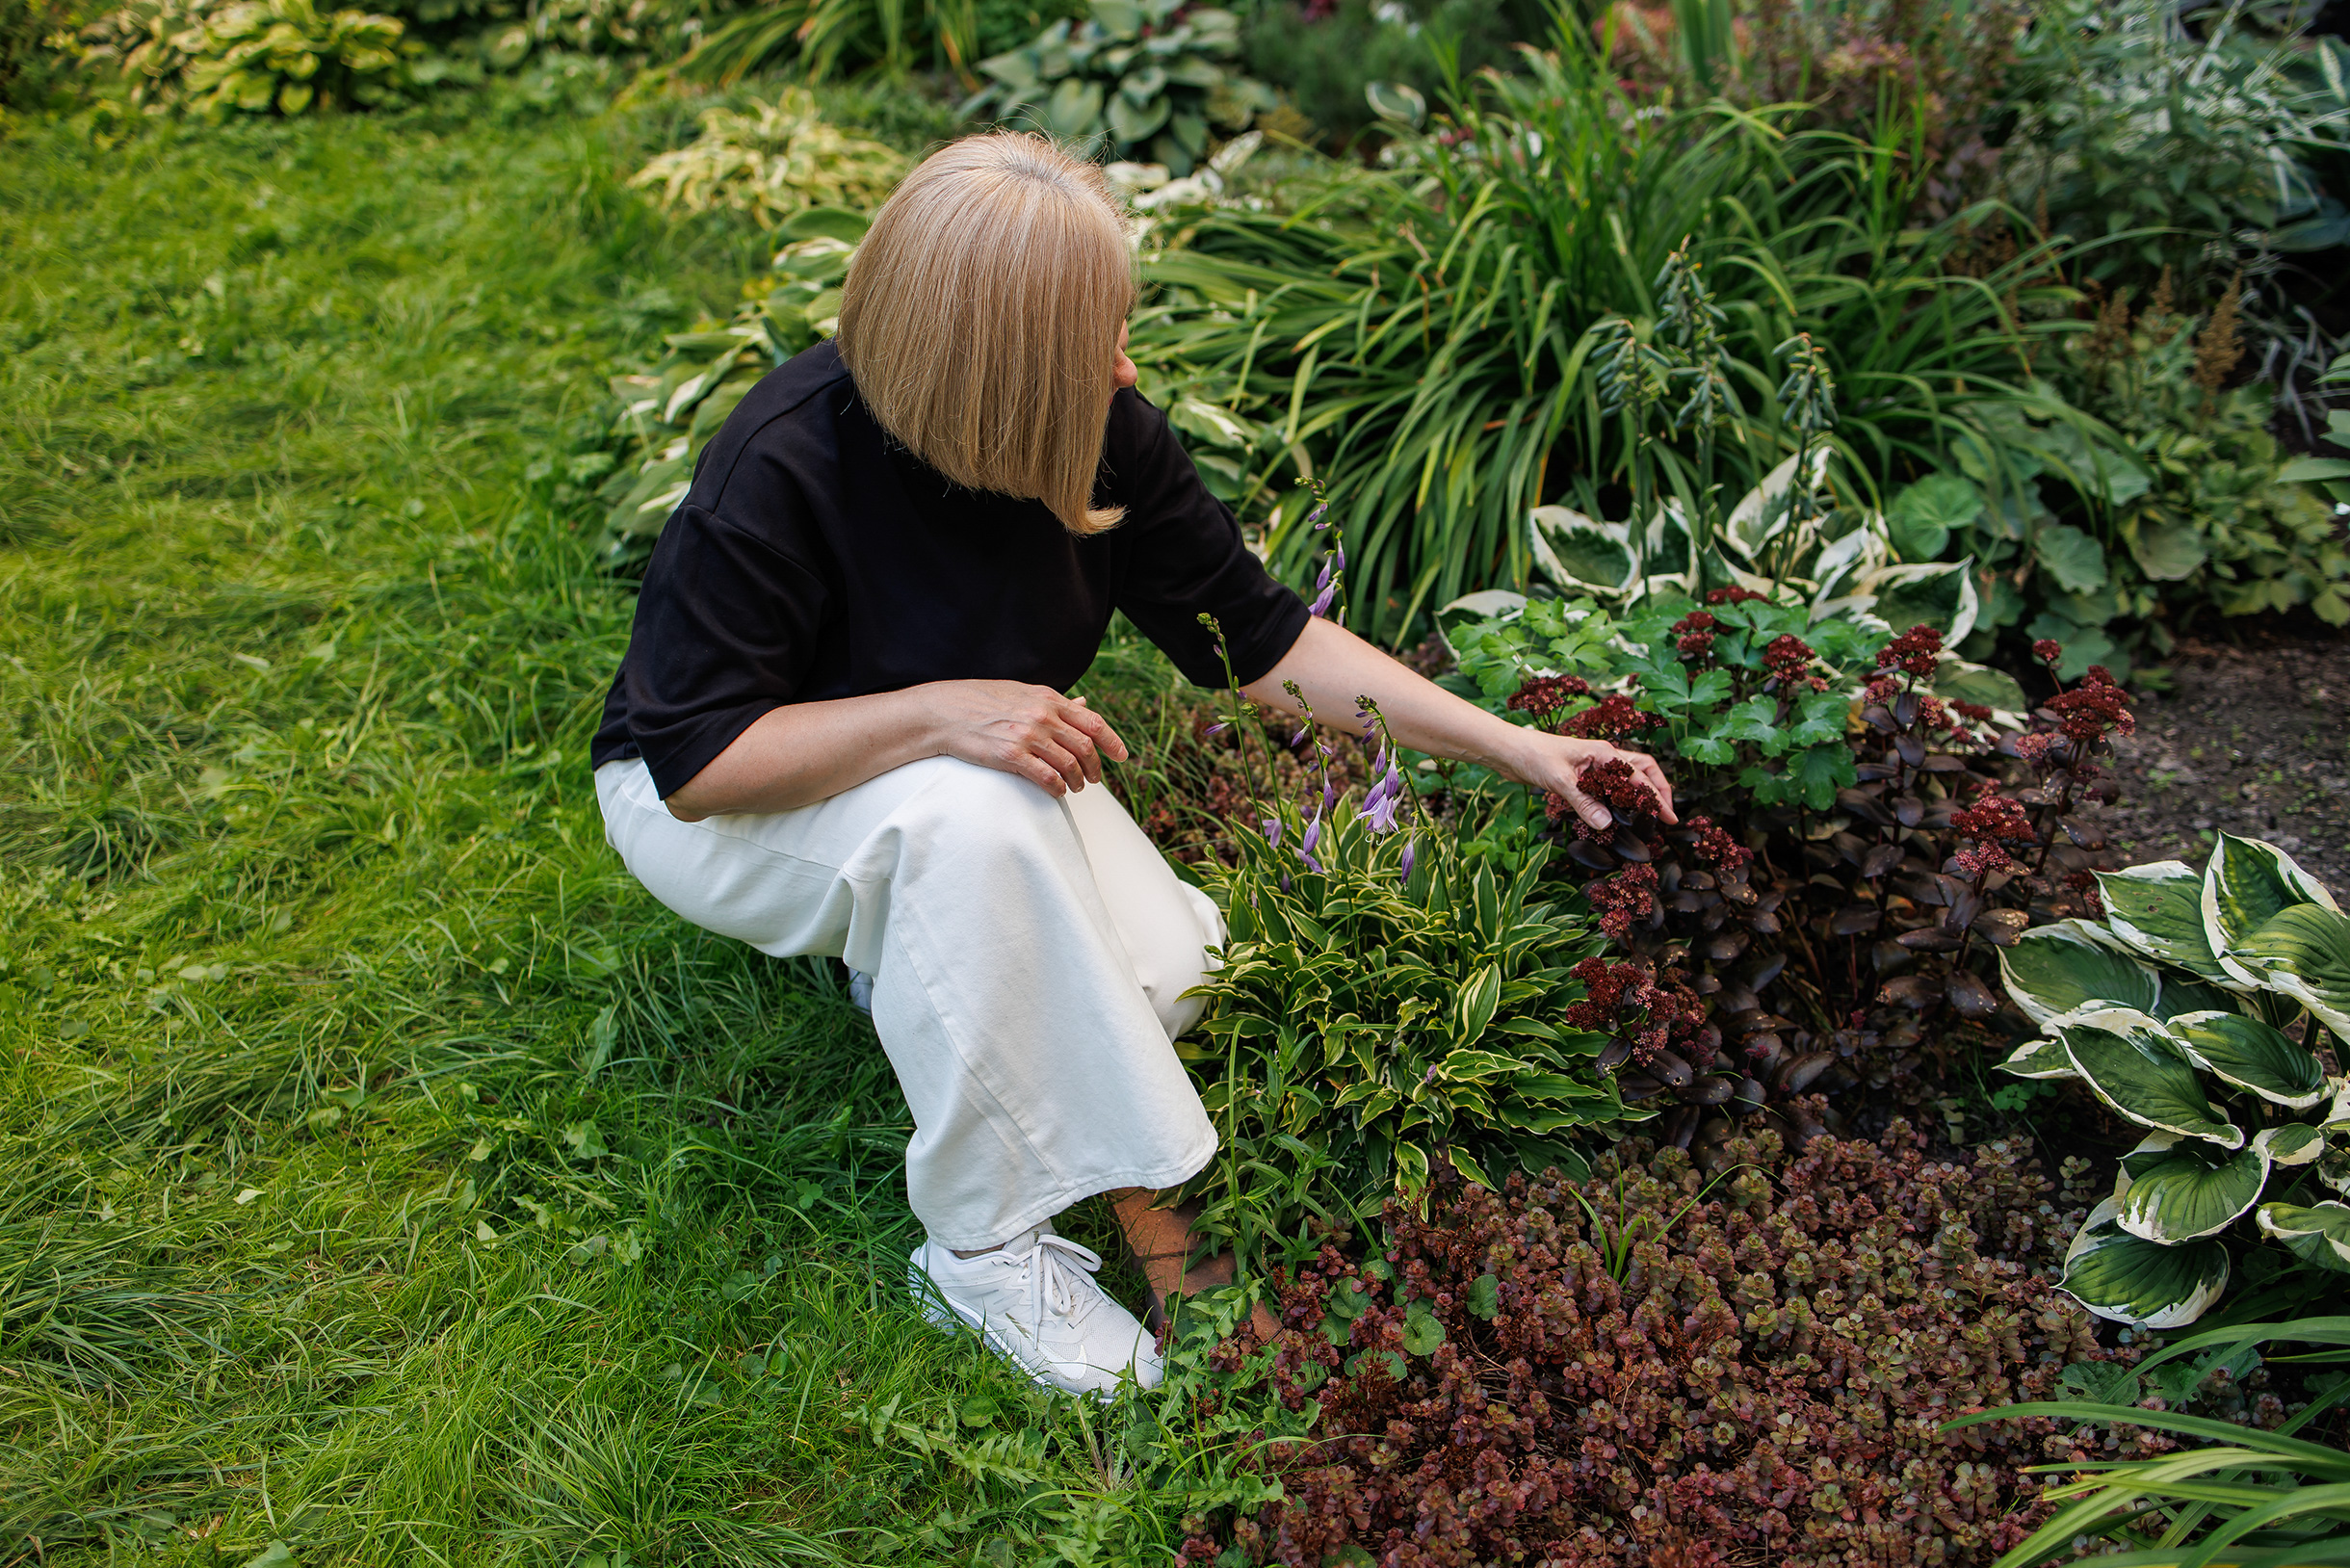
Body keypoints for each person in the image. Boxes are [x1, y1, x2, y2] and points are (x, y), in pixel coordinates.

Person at [591, 133, 1676, 1398]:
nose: (1124, 363)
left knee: (1164, 985)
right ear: (989, 368)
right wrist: (946, 714)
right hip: (730, 801)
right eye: (1091, 340)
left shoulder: (1102, 428)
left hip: (956, 781)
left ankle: (905, 946)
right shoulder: (782, 463)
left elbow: (1266, 642)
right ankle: (987, 1254)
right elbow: (699, 762)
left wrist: (1517, 745)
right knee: (977, 828)